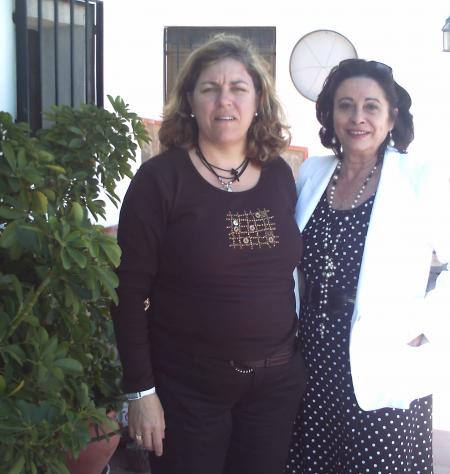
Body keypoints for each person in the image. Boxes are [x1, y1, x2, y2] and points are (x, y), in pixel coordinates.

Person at [111, 34, 306, 474]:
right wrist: (141, 392)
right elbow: (128, 291)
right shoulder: (160, 180)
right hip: (188, 391)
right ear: (189, 101)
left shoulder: (279, 174)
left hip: (273, 389)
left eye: (238, 88)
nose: (225, 100)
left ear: (258, 100)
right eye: (209, 88)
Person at [285, 58, 450, 473]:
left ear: (392, 116)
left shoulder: (417, 176)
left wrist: (421, 322)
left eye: (371, 106)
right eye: (345, 105)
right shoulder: (313, 172)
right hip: (311, 358)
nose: (357, 117)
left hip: (381, 357)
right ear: (331, 114)